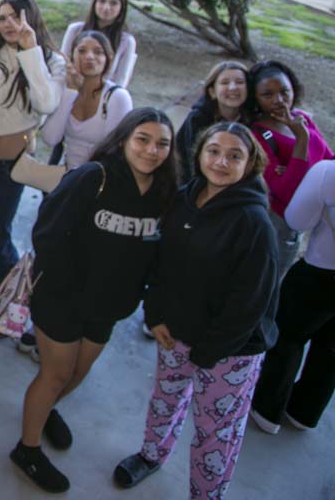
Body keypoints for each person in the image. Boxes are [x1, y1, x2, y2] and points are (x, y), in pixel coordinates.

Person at [11, 108, 176, 493]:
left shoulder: (165, 193)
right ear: (123, 140)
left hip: (111, 307)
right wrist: (68, 286)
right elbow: (47, 234)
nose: (152, 151)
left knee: (77, 374)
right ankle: (27, 448)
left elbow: (159, 258)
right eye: (143, 140)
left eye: (162, 144)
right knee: (54, 374)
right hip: (63, 299)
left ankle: (46, 410)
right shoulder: (93, 177)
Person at [113, 122, 279, 498]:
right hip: (175, 333)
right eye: (214, 151)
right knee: (165, 399)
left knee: (216, 430)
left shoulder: (254, 223)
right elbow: (158, 260)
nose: (221, 161)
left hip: (228, 351)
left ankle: (206, 493)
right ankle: (151, 455)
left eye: (234, 155)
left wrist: (209, 352)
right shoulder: (184, 197)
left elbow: (250, 302)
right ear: (199, 154)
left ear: (250, 162)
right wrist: (154, 313)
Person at [0, 0, 66, 296]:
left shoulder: (50, 59)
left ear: (31, 18)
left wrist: (30, 50)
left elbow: (47, 102)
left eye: (16, 16)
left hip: (10, 165)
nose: (9, 23)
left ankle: (11, 303)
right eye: (2, 18)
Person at [251, 158, 335, 434]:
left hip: (320, 271)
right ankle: (305, 412)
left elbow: (297, 220)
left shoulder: (327, 172)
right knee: (331, 349)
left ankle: (267, 409)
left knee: (288, 336)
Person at [247, 59, 333, 275]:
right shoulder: (257, 134)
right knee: (270, 278)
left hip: (313, 212)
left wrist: (298, 167)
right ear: (255, 99)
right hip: (280, 225)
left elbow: (328, 160)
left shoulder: (301, 118)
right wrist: (301, 139)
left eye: (285, 92)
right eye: (267, 95)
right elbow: (285, 191)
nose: (279, 100)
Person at [40, 31, 133, 170]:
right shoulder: (65, 90)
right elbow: (50, 139)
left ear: (109, 58)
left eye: (98, 52)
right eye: (82, 51)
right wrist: (71, 91)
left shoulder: (118, 97)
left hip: (100, 178)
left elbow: (114, 150)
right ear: (72, 56)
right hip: (66, 177)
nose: (89, 57)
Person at [176, 60, 250, 181]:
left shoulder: (252, 120)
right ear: (212, 91)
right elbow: (192, 164)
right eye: (225, 82)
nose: (233, 88)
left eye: (240, 82)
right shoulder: (198, 119)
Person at [60, 0, 137, 88]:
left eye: (113, 3)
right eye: (102, 1)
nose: (106, 7)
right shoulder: (75, 30)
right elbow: (62, 65)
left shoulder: (126, 41)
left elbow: (121, 81)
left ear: (122, 8)